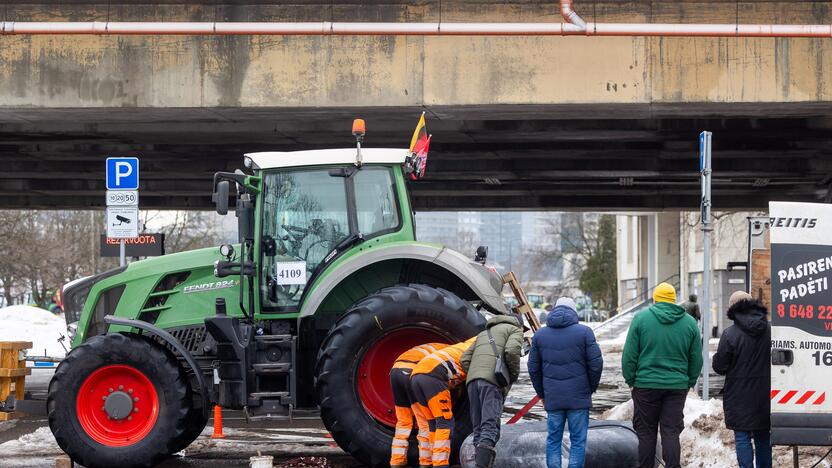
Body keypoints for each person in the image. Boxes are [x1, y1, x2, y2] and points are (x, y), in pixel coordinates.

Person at [622, 282, 702, 468]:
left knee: (646, 432)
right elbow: (696, 359)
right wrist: (688, 382)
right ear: (673, 300)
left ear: (655, 299)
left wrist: (631, 380)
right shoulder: (689, 323)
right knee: (671, 432)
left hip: (645, 386)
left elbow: (629, 355)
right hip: (676, 387)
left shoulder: (641, 319)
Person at [528, 297, 603, 468]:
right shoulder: (585, 332)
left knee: (553, 440)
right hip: (579, 397)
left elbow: (533, 368)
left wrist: (542, 393)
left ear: (554, 310)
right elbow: (596, 364)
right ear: (574, 312)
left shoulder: (540, 335)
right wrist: (590, 388)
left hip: (553, 397)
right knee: (578, 441)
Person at [713, 291, 771, 468]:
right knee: (763, 436)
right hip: (765, 392)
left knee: (742, 436)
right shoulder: (770, 329)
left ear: (733, 309)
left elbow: (720, 366)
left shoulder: (730, 334)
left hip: (739, 395)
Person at [460, 314, 524, 467]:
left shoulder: (483, 334)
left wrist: (476, 374)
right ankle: (482, 465)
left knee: (478, 428)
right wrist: (512, 375)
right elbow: (511, 351)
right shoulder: (515, 330)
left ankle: (476, 463)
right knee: (490, 425)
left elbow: (464, 359)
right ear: (519, 324)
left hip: (472, 382)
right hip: (492, 382)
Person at [411, 337, 476, 468]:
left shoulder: (465, 345)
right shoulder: (480, 347)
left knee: (432, 422)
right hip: (433, 376)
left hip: (416, 376)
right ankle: (440, 464)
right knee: (444, 422)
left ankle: (426, 462)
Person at [389, 342, 450, 467]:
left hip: (395, 371)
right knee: (424, 422)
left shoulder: (434, 346)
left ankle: (397, 461)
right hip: (411, 370)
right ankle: (425, 462)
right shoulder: (449, 352)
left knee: (403, 421)